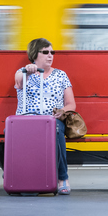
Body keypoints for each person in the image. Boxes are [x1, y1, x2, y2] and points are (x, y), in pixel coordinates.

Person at [12, 38, 76, 194]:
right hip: (26, 119)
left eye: (52, 52)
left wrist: (62, 111)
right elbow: (19, 83)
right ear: (35, 54)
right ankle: (13, 172)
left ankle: (62, 177)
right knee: (9, 133)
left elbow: (71, 104)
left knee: (56, 131)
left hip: (51, 120)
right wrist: (28, 71)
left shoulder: (61, 75)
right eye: (45, 52)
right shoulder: (22, 72)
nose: (50, 56)